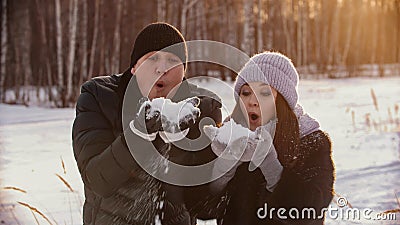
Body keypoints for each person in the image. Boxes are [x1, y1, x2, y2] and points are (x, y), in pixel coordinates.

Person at [72, 22, 222, 225]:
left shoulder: (200, 109)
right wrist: (140, 133)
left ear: (183, 71)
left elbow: (205, 207)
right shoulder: (99, 97)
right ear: (134, 67)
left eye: (172, 59)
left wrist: (225, 160)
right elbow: (98, 181)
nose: (162, 68)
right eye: (152, 58)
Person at [204, 51, 335, 224]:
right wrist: (223, 169)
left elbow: (312, 210)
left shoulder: (311, 142)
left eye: (264, 93)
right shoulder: (228, 138)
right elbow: (204, 210)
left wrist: (272, 168)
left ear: (282, 100)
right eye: (245, 92)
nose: (252, 101)